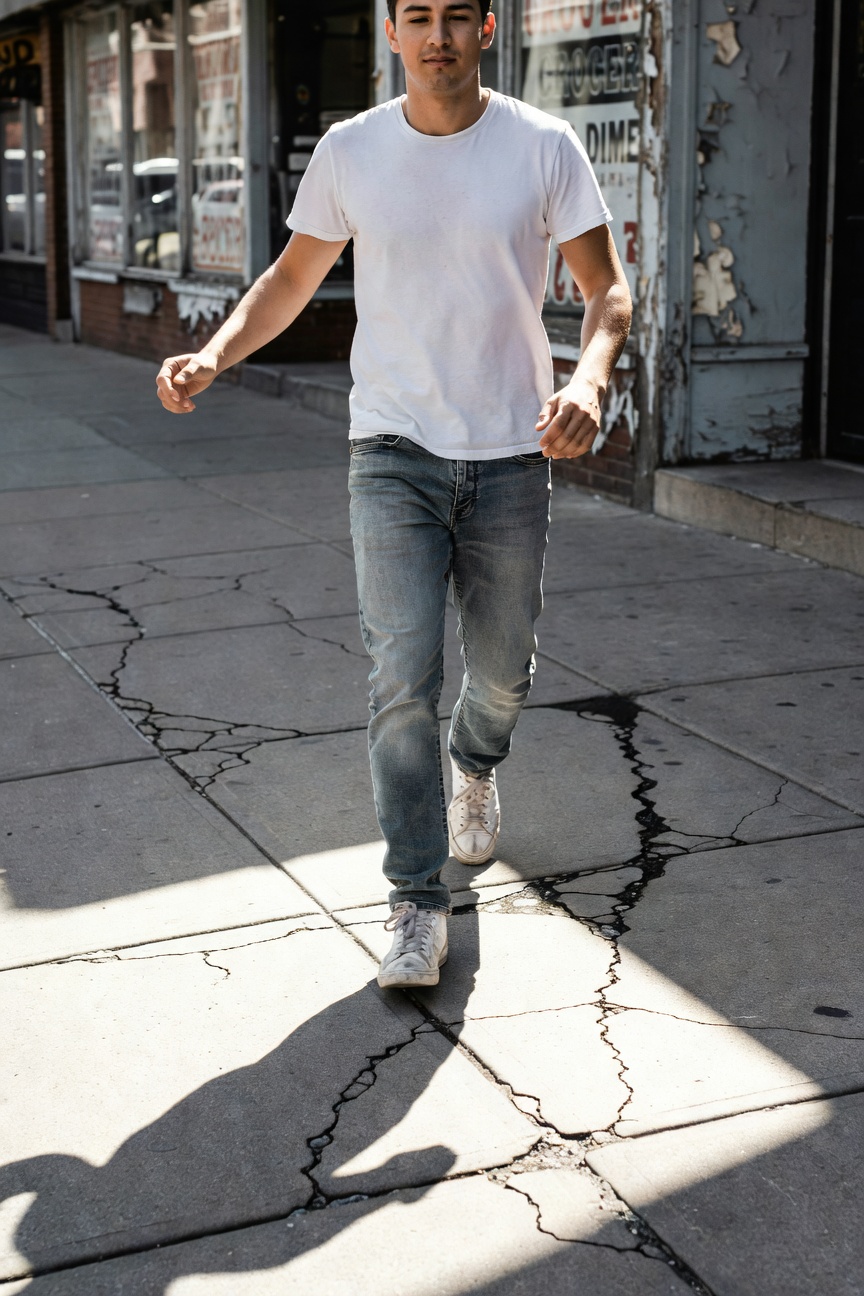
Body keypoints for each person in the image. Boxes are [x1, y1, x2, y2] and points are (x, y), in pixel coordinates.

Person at [156, 0, 632, 992]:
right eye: (418, 16)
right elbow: (291, 280)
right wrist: (215, 352)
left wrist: (588, 378)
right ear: (391, 32)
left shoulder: (543, 146)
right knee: (398, 682)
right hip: (392, 452)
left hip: (510, 454)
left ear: (489, 29)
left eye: (458, 16)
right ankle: (416, 902)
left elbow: (607, 292)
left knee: (501, 676)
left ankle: (477, 762)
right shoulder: (351, 151)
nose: (438, 36)